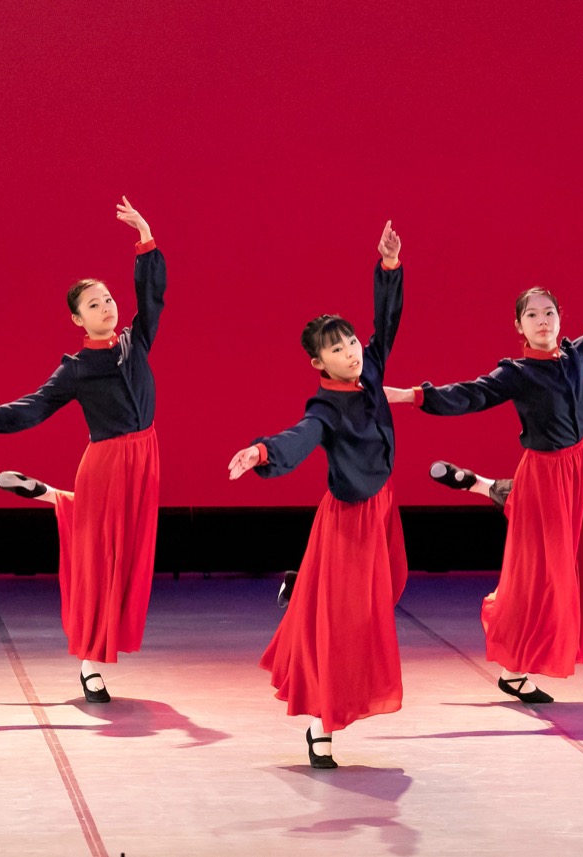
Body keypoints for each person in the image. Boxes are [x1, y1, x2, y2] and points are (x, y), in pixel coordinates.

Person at [385, 217, 583, 703]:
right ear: (519, 326)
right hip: (544, 471)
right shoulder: (516, 373)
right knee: (545, 574)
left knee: (560, 567)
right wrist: (414, 396)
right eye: (532, 315)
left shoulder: (578, 354)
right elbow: (470, 394)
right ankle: (508, 642)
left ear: (560, 319)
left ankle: (485, 486)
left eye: (549, 312)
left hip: (577, 469)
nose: (543, 320)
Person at [0, 197, 162, 704]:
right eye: (94, 305)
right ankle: (90, 663)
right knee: (99, 562)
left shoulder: (136, 340)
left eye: (108, 299)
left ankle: (52, 496)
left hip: (147, 458)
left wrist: (145, 240)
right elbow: (35, 407)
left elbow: (152, 295)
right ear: (77, 319)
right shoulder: (76, 369)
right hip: (107, 463)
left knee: (131, 559)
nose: (106, 307)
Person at [227, 220, 405, 769]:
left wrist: (389, 268)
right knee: (341, 626)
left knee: (381, 603)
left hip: (383, 509)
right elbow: (300, 437)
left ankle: (302, 583)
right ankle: (320, 725)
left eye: (350, 342)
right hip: (348, 520)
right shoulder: (325, 407)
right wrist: (261, 451)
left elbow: (387, 322)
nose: (350, 352)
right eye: (336, 349)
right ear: (317, 363)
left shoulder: (370, 371)